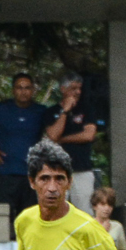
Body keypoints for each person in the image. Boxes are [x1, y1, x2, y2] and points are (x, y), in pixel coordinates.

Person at [0, 74, 50, 228]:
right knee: (4, 221)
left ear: (33, 90)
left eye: (27, 88)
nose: (23, 91)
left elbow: (55, 133)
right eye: (19, 87)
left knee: (31, 221)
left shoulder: (41, 111)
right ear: (13, 90)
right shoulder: (1, 109)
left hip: (32, 175)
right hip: (7, 172)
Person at [42, 74, 100, 211]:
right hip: (57, 172)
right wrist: (65, 111)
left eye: (79, 88)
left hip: (82, 169)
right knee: (55, 210)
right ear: (63, 89)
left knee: (85, 212)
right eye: (73, 88)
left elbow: (89, 135)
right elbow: (53, 134)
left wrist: (62, 139)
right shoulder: (50, 112)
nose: (78, 92)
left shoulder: (86, 109)